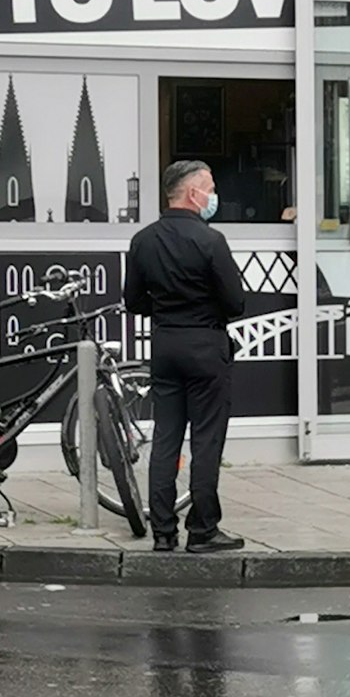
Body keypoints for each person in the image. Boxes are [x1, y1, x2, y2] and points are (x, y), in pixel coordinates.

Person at [123, 159, 246, 554]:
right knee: (207, 439)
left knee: (166, 436)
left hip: (165, 344)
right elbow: (235, 303)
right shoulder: (211, 241)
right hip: (206, 345)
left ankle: (162, 530)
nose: (213, 195)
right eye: (209, 187)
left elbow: (133, 300)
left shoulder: (144, 240)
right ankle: (203, 529)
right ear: (193, 193)